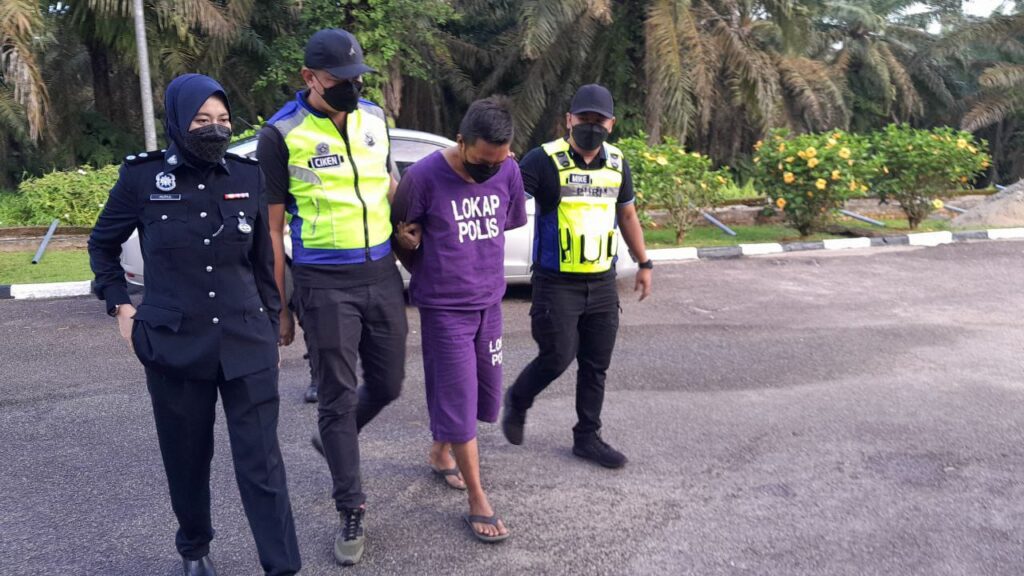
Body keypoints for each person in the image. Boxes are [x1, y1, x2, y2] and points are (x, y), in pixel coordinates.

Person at [87, 74, 301, 576]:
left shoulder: (248, 176)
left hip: (246, 339)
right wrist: (120, 307)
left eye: (223, 119)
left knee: (262, 462)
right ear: (179, 120)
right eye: (202, 120)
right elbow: (102, 246)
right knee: (186, 458)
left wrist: (272, 325)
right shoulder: (142, 178)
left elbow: (262, 260)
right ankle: (194, 549)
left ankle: (283, 566)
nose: (215, 129)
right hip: (174, 343)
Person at [257, 28, 406, 566]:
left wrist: (408, 226)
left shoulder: (374, 119)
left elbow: (388, 185)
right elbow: (272, 230)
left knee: (388, 384)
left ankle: (335, 438)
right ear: (309, 78)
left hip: (382, 273)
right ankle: (351, 506)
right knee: (337, 398)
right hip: (323, 283)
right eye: (338, 79)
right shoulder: (281, 134)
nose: (350, 87)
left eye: (356, 78)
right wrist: (281, 307)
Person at [392, 98, 526, 543]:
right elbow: (400, 237)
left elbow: (502, 223)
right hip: (445, 309)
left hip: (489, 302)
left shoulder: (509, 170)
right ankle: (478, 500)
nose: (489, 169)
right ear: (461, 141)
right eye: (481, 161)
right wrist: (416, 254)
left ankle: (439, 452)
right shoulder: (422, 177)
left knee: (485, 395)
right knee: (460, 399)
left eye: (498, 161)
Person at [501, 84, 654, 469]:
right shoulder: (543, 159)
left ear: (611, 124)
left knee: (595, 364)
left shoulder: (617, 162)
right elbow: (507, 201)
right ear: (569, 119)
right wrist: (502, 172)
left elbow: (627, 214)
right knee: (557, 356)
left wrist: (644, 263)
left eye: (598, 120)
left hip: (602, 283)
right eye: (584, 118)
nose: (591, 126)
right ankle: (518, 399)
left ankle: (587, 437)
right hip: (556, 283)